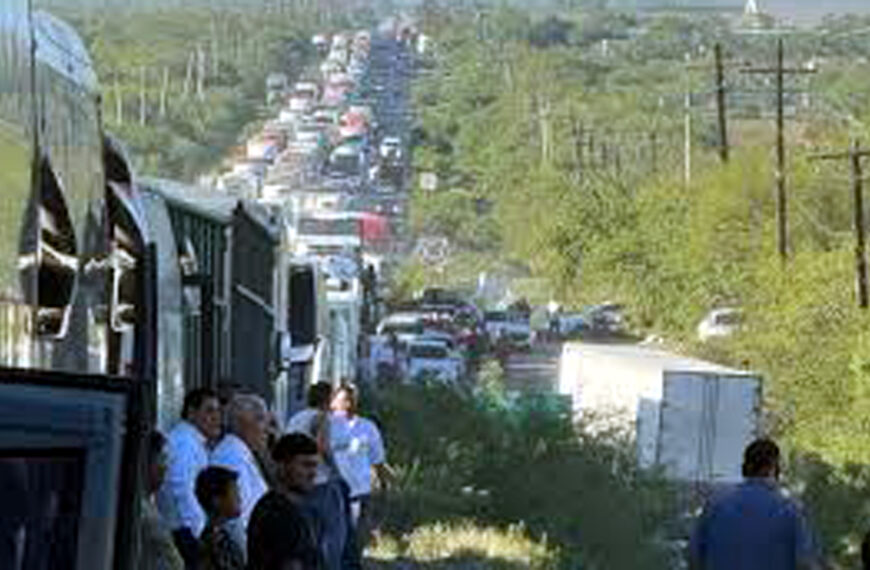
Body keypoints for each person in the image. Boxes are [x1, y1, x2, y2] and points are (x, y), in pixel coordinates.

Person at [689, 438, 825, 570]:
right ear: (775, 468)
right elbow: (804, 563)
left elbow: (694, 559)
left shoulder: (714, 507)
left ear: (745, 467)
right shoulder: (790, 511)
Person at [285, 382, 359, 570]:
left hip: (297, 482)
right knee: (334, 533)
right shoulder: (321, 417)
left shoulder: (296, 418)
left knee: (310, 533)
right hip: (320, 481)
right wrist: (336, 471)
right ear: (327, 399)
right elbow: (323, 446)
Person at [158, 388, 223, 570]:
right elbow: (181, 489)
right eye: (209, 411)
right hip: (183, 536)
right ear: (191, 413)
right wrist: (197, 533)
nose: (217, 417)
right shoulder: (184, 443)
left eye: (218, 411)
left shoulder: (191, 441)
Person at [331, 384, 392, 552]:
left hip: (361, 491)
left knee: (357, 538)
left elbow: (378, 459)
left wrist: (384, 485)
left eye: (351, 399)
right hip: (334, 490)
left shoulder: (367, 427)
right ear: (333, 402)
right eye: (344, 399)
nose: (348, 404)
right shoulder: (327, 425)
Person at [247, 433, 322, 570]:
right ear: (281, 466)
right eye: (305, 465)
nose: (312, 473)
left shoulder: (290, 508)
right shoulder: (278, 513)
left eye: (314, 466)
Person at [210, 394, 270, 557]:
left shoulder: (241, 453)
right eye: (261, 419)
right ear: (242, 423)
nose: (267, 429)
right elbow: (237, 517)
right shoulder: (231, 456)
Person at [139, 430, 185, 570]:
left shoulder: (148, 507)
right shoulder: (143, 513)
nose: (165, 466)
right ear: (147, 461)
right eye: (162, 458)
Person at [195, 467, 245, 570]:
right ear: (216, 501)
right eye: (234, 493)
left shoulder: (222, 534)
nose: (239, 498)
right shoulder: (217, 542)